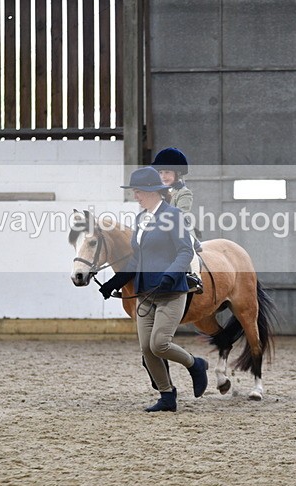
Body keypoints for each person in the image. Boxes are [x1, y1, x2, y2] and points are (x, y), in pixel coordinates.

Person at [98, 166, 208, 412]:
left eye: (137, 192)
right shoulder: (140, 219)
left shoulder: (173, 216)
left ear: (151, 191)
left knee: (159, 344)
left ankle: (195, 365)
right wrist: (114, 283)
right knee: (147, 348)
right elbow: (137, 259)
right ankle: (167, 396)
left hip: (170, 292)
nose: (135, 196)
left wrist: (171, 274)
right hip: (146, 294)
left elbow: (185, 251)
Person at [151, 148, 202, 289]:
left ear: (177, 173)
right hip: (157, 229)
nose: (163, 176)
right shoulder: (155, 193)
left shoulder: (183, 193)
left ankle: (196, 276)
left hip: (180, 229)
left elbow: (182, 213)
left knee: (188, 247)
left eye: (167, 172)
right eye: (160, 172)